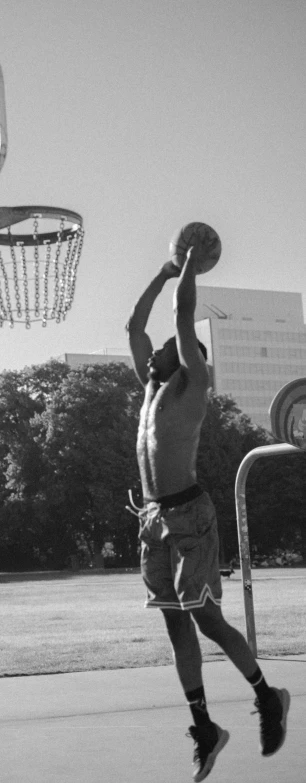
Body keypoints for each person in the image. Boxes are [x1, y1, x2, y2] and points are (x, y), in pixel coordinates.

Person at [126, 246, 290, 781]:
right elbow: (135, 326)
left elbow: (180, 317)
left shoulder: (193, 384)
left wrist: (190, 271)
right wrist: (163, 271)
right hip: (154, 520)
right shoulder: (150, 390)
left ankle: (268, 697)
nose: (153, 355)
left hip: (190, 516)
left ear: (187, 355)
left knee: (208, 620)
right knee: (177, 628)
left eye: (166, 349)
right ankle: (206, 729)